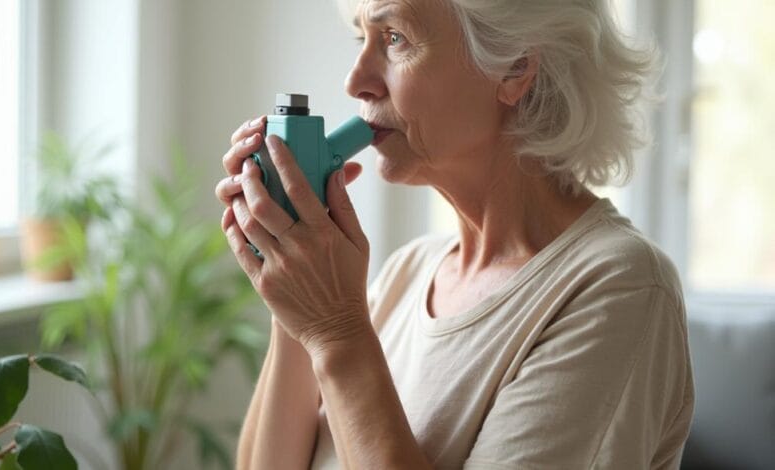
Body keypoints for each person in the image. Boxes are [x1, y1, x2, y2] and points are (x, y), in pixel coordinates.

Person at [215, 0, 694, 468]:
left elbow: (338, 339)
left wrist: (337, 333)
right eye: (363, 39)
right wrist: (298, 291)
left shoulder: (619, 288)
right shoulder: (408, 271)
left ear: (514, 69)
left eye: (395, 38)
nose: (355, 81)